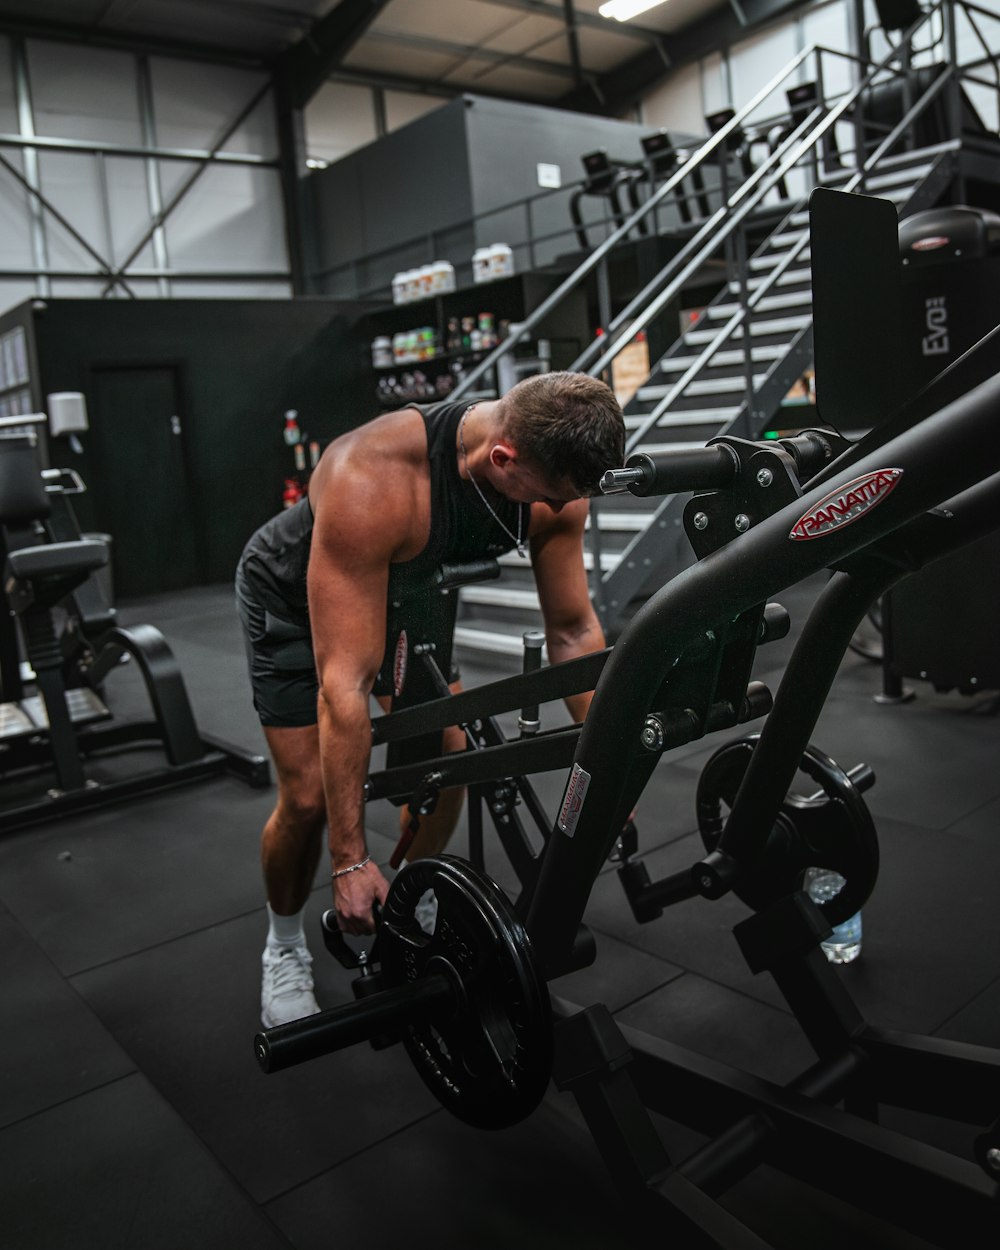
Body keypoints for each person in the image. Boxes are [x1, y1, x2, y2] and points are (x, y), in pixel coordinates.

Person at [236, 371, 625, 1028]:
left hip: (402, 593)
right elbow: (344, 686)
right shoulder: (373, 475)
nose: (563, 513)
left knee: (448, 761)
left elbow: (572, 630)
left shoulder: (557, 487)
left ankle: (406, 905)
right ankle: (285, 944)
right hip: (289, 601)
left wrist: (616, 765)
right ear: (505, 460)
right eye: (554, 499)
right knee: (307, 799)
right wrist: (350, 859)